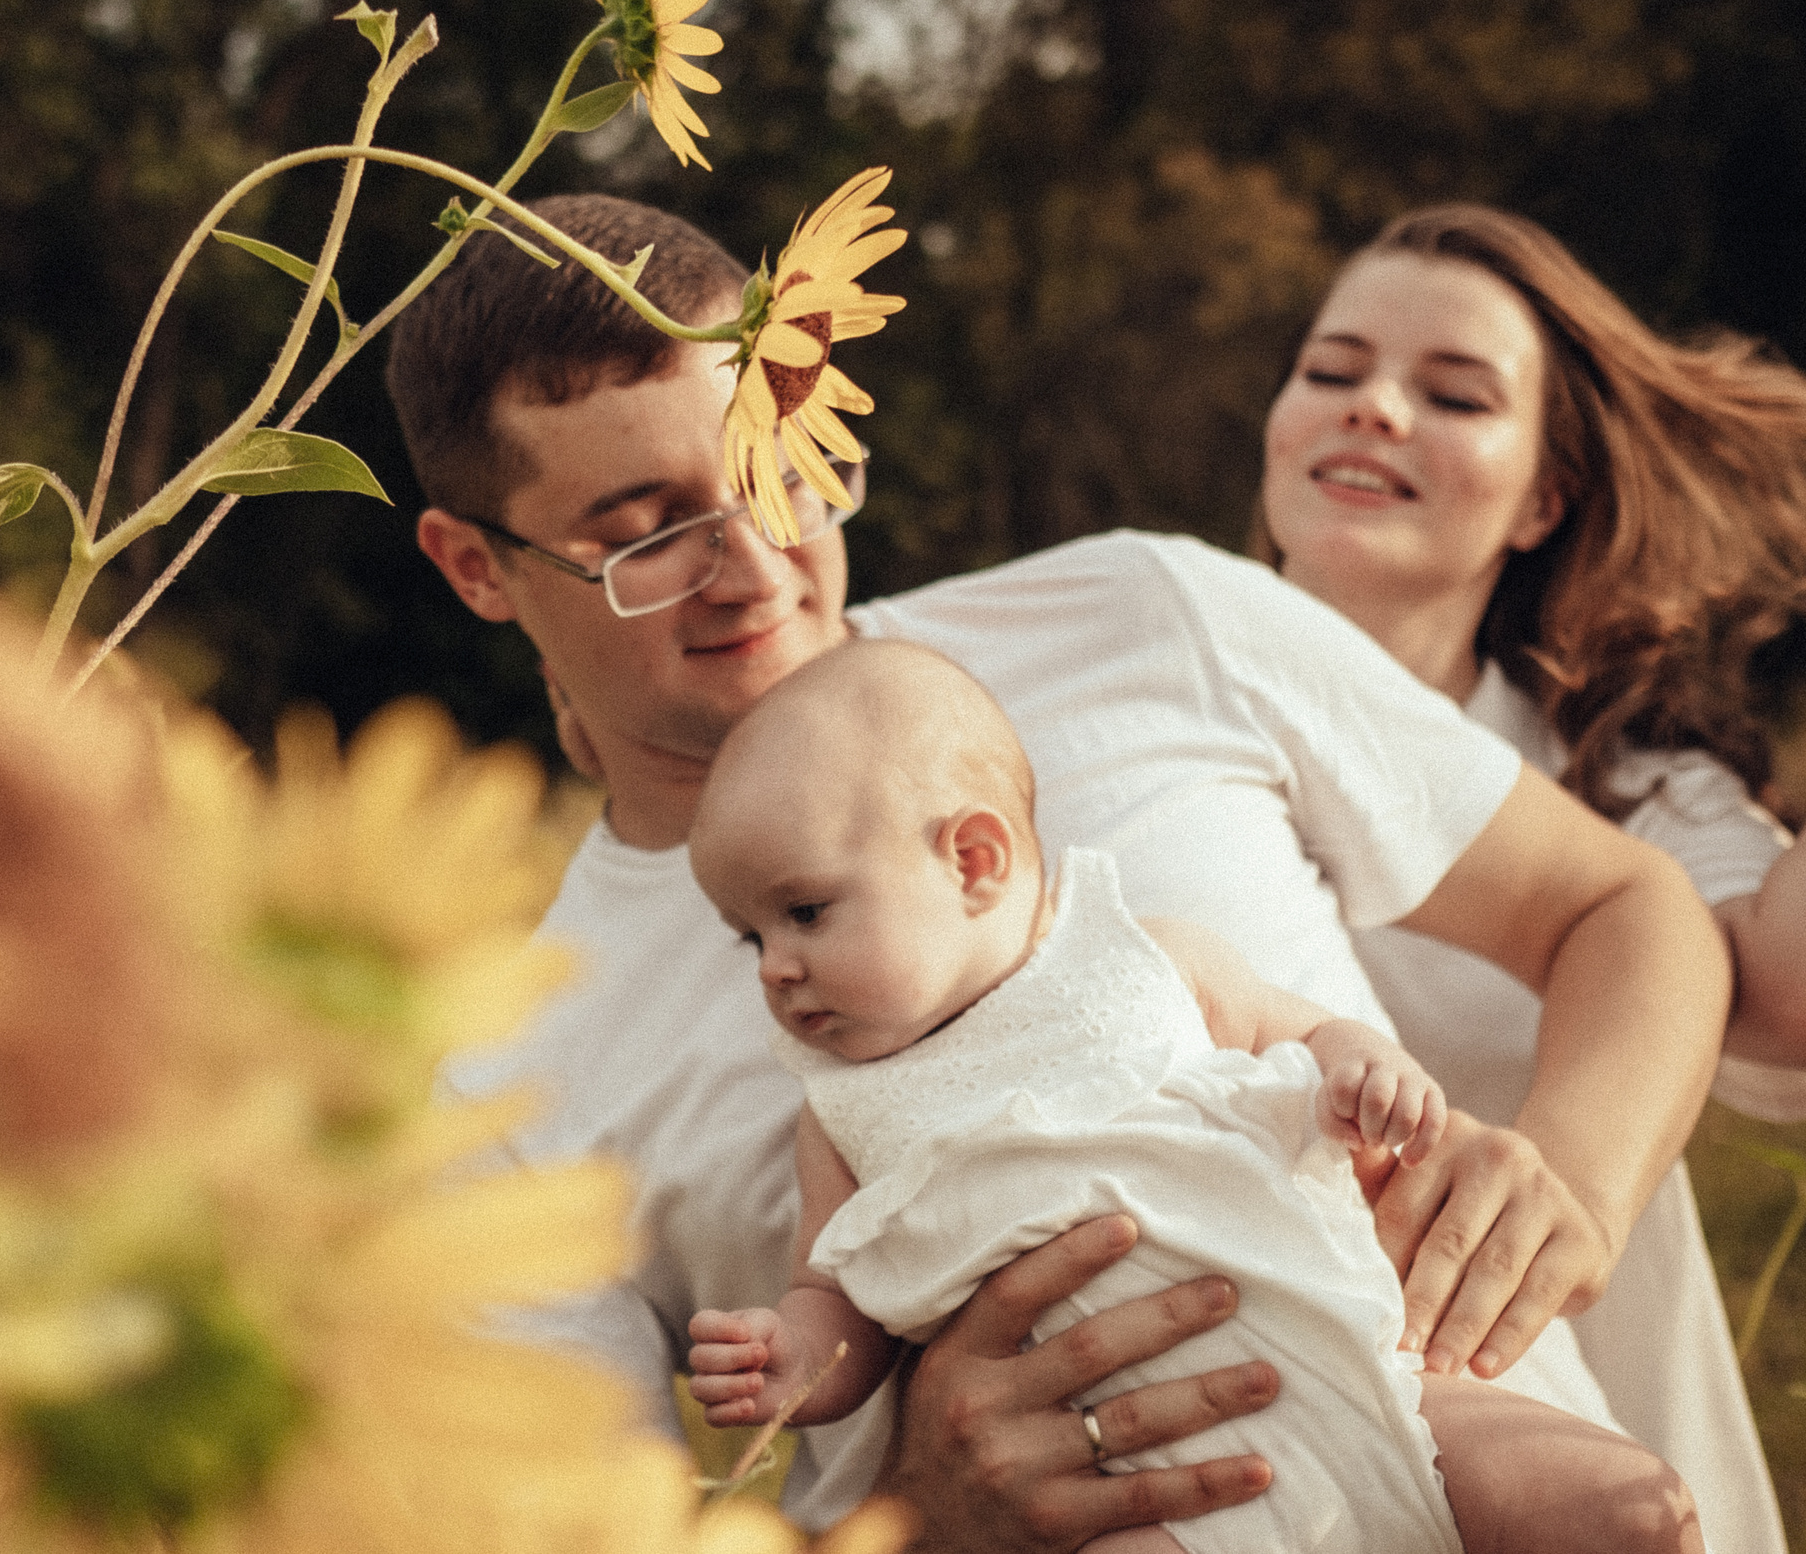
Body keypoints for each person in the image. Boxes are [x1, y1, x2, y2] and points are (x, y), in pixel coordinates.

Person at [390, 193, 1729, 1550]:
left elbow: (1627, 908)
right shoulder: (509, 1089)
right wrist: (924, 1513)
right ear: (474, 567)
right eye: (645, 532)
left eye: (776, 466)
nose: (759, 565)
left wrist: (1575, 1173)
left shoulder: (1142, 613)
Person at [679, 638, 1698, 1554]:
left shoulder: (1140, 957)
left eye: (804, 912)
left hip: (1370, 1379)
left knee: (1623, 1507)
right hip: (1147, 1494)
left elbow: (1302, 1032)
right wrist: (795, 1356)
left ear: (973, 862)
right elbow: (835, 1293)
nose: (774, 969)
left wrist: (1364, 1073)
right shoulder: (847, 1111)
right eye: (751, 936)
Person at [1256, 201, 1806, 1552]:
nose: (1373, 408)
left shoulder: (1626, 781)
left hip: (1595, 1481)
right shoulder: (1127, 691)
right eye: (1332, 371)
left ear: (1543, 495)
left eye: (1451, 392)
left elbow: (1791, 997)